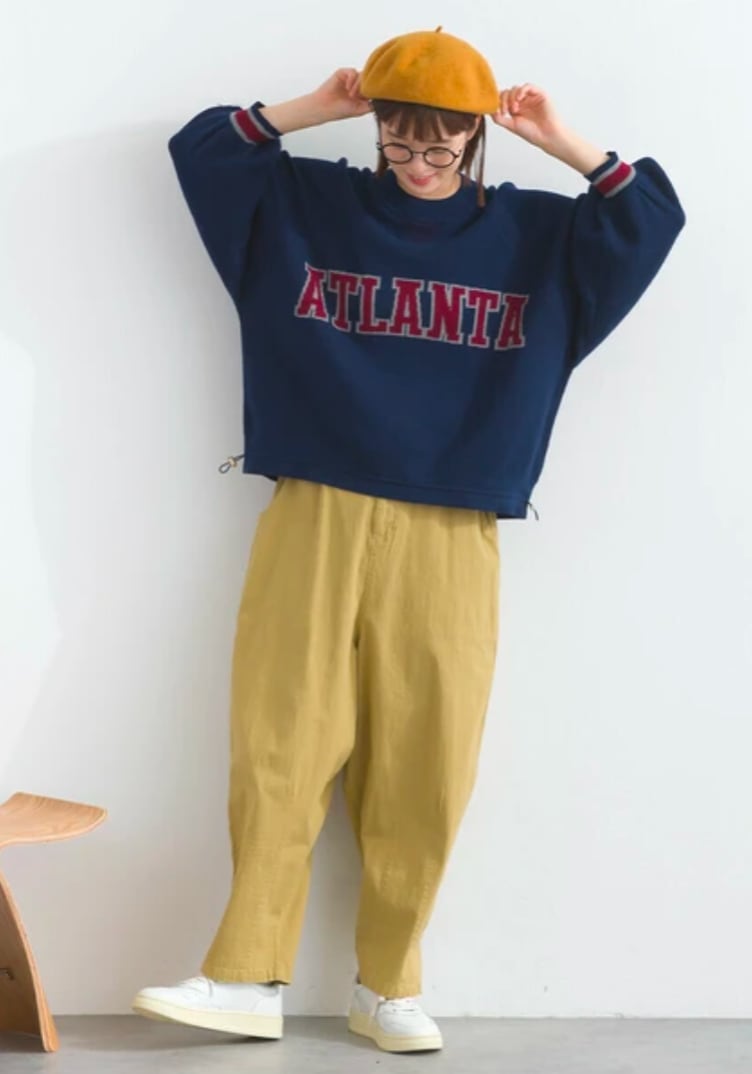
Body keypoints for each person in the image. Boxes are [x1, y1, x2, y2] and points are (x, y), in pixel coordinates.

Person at [132, 27, 686, 1055]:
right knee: (280, 745)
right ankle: (245, 975)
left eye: (441, 146)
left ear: (475, 138)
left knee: (428, 765)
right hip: (316, 503)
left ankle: (387, 986)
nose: (419, 164)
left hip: (455, 521)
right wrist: (318, 107)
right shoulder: (308, 206)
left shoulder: (534, 235)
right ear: (377, 127)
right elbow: (202, 151)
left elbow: (650, 216)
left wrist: (559, 140)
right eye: (399, 141)